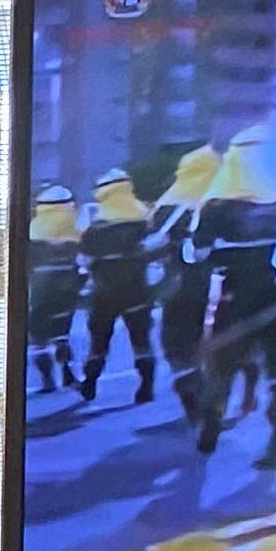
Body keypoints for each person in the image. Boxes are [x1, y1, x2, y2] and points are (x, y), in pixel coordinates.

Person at [188, 133, 276, 466]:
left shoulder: (216, 208)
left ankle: (212, 421)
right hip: (275, 294)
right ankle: (275, 443)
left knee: (220, 362)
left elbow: (197, 253)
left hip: (232, 294)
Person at [150, 141, 220, 424]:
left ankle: (191, 396)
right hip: (219, 285)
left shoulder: (165, 207)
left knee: (177, 343)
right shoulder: (224, 201)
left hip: (177, 286)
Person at [77, 168, 159, 405]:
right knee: (141, 340)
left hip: (104, 294)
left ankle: (90, 381)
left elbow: (84, 261)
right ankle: (146, 386)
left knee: (99, 341)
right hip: (137, 292)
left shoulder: (94, 231)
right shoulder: (145, 225)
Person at [23, 185, 82, 397]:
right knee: (61, 335)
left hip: (40, 295)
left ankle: (48, 380)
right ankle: (67, 372)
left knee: (38, 339)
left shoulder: (31, 235)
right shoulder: (76, 235)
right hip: (67, 294)